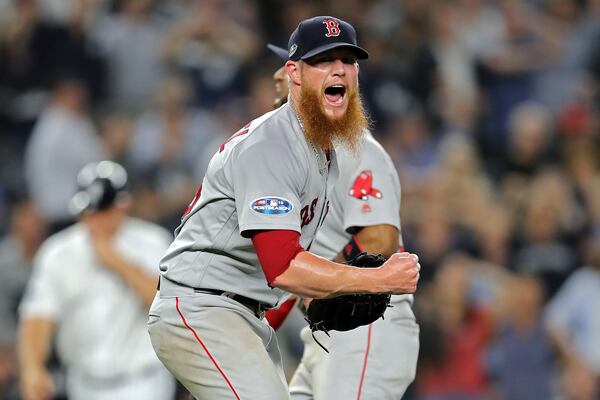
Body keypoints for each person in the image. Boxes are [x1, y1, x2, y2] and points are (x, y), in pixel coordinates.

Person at [147, 16, 420, 400]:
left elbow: (282, 271)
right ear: (293, 73)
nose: (339, 68)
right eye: (323, 60)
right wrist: (378, 280)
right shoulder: (272, 146)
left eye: (347, 60)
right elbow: (284, 266)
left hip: (236, 313)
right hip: (206, 306)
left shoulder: (326, 148)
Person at [266, 48, 419, 399]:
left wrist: (324, 281)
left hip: (367, 324)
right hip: (326, 332)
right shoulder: (294, 159)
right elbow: (290, 278)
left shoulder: (357, 149)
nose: (278, 81)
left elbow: (380, 239)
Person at [18, 160, 176, 400]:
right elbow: (38, 315)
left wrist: (118, 263)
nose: (94, 219)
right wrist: (32, 367)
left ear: (123, 206)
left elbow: (169, 308)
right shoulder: (58, 252)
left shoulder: (153, 242)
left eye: (101, 211)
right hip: (83, 384)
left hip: (144, 382)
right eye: (87, 212)